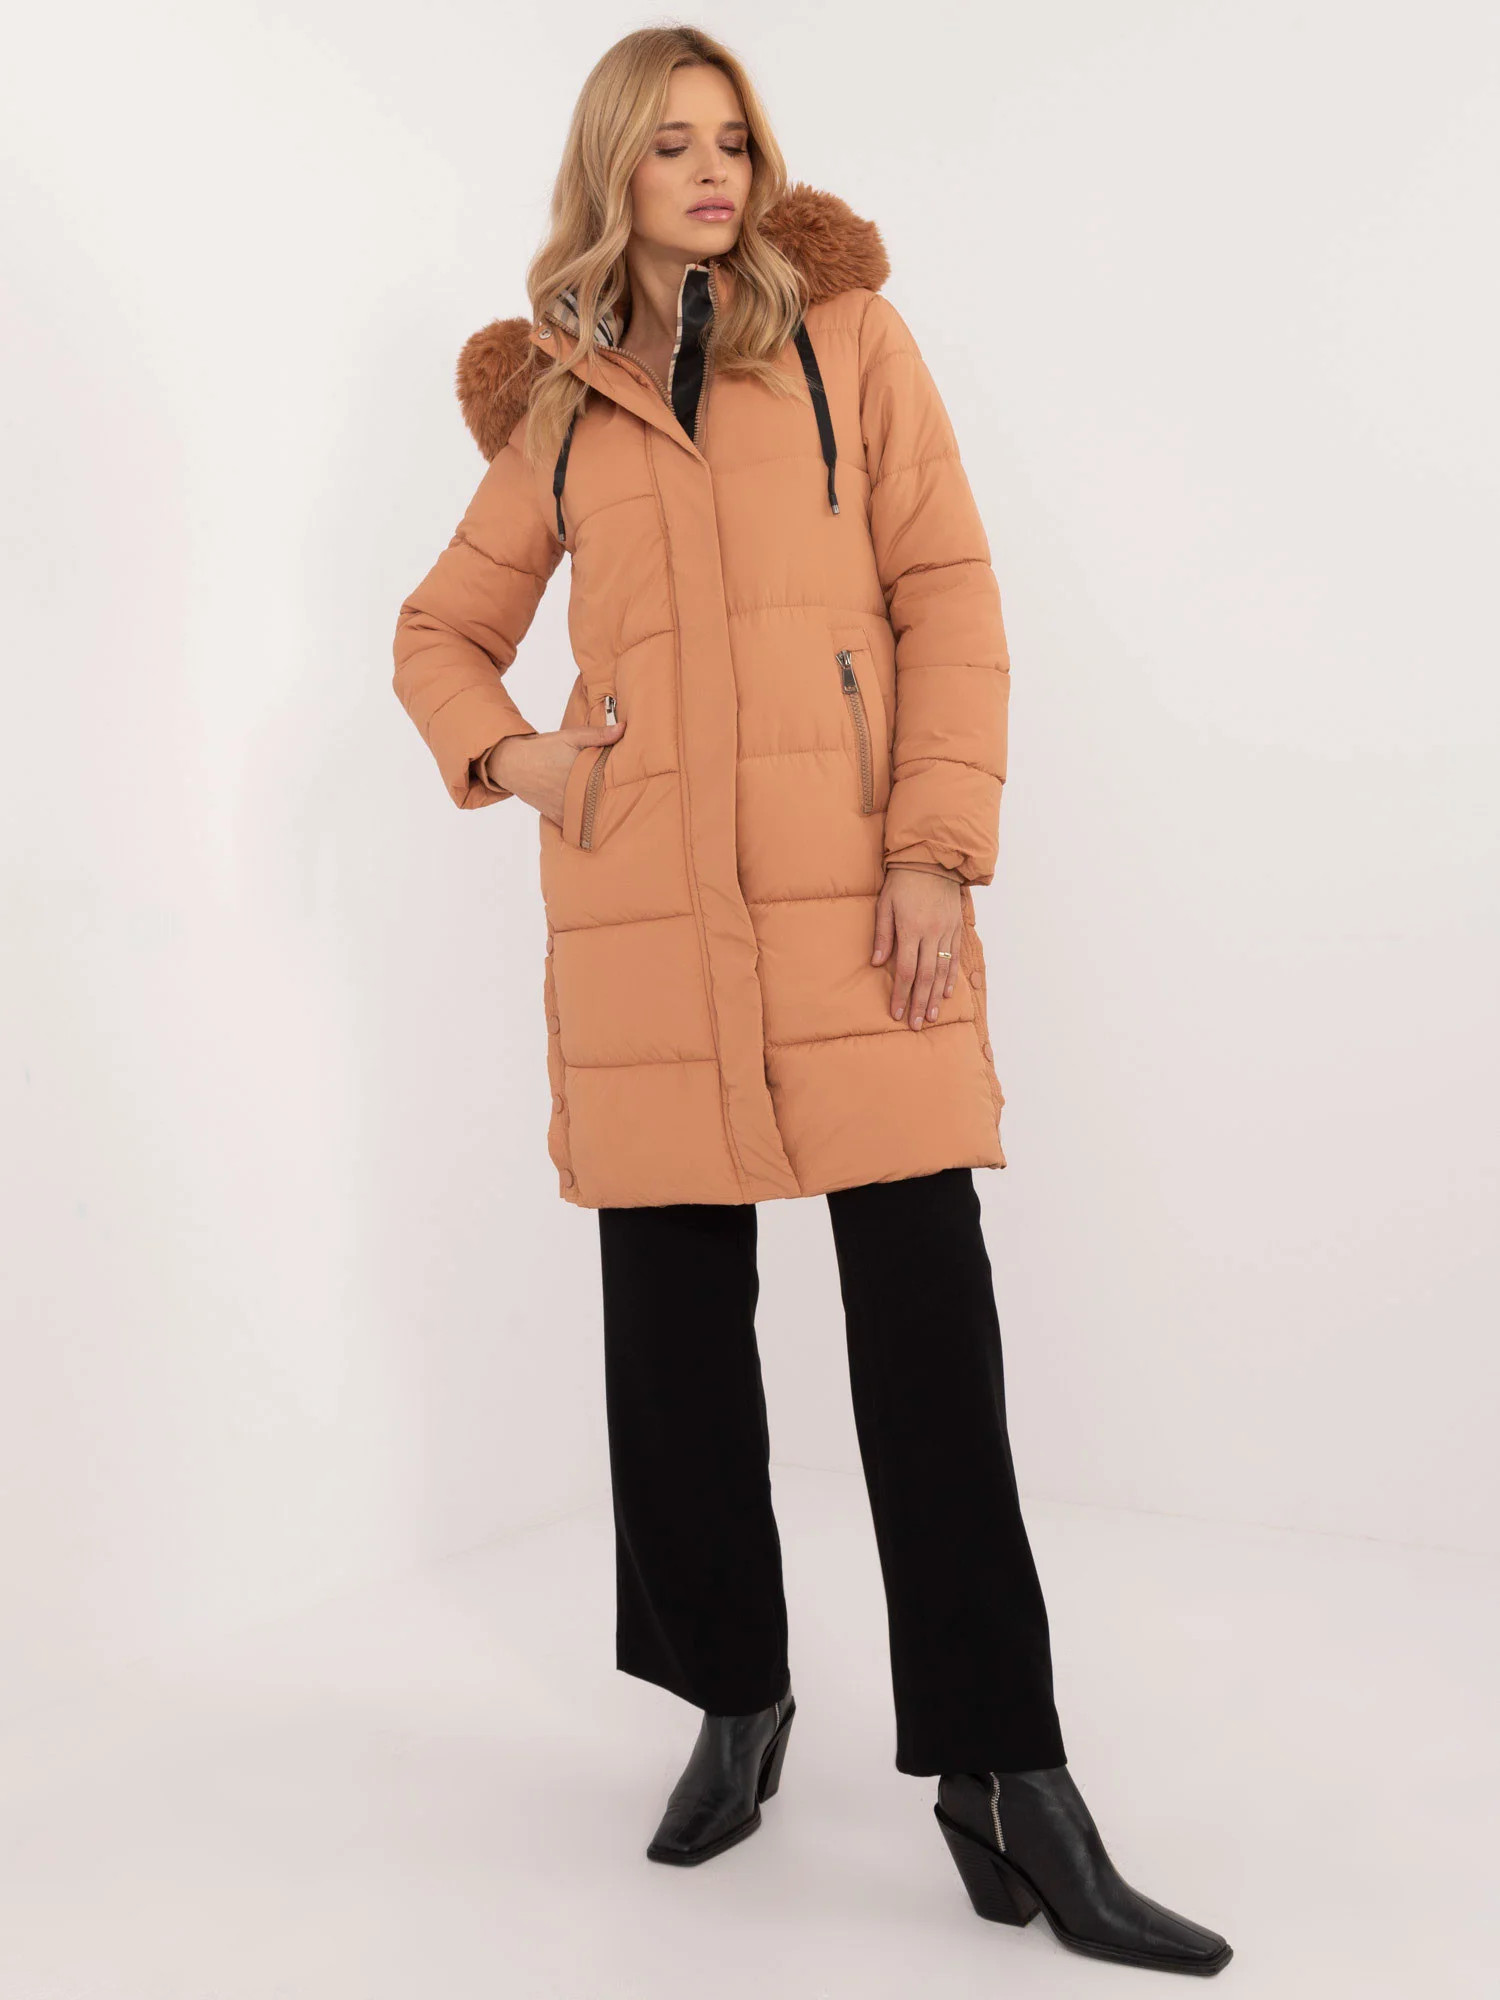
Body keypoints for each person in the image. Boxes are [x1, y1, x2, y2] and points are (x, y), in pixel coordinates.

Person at [392, 25, 1231, 1978]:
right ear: (613, 172)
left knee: (928, 1335)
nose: (712, 169)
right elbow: (441, 632)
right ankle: (735, 1695)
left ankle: (1008, 1773)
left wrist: (936, 845)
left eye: (733, 138)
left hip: (860, 910)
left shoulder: (851, 341)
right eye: (671, 143)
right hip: (645, 928)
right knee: (676, 1349)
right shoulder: (561, 410)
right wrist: (523, 762)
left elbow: (950, 593)